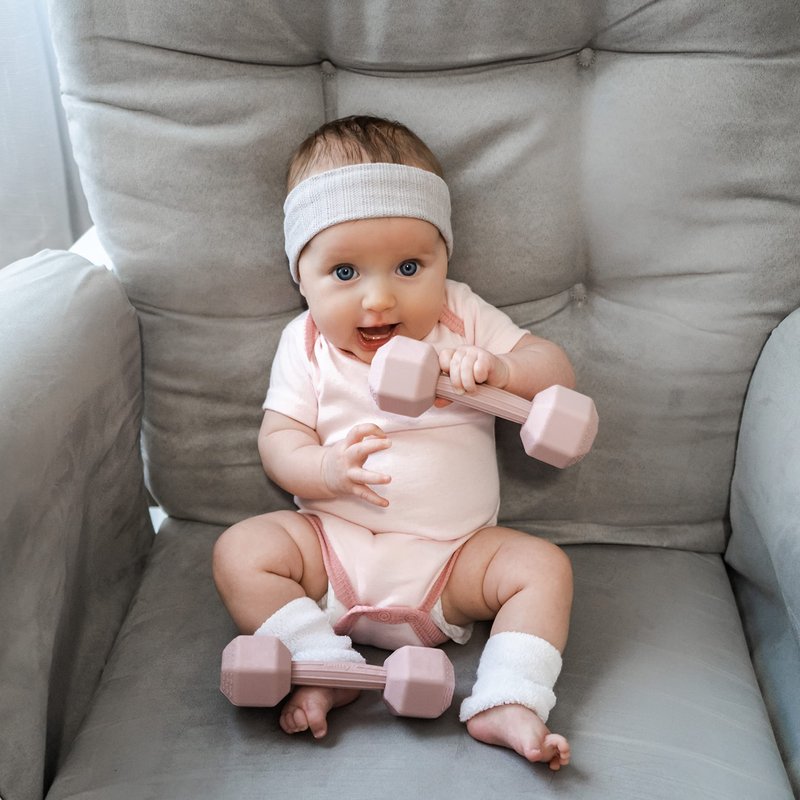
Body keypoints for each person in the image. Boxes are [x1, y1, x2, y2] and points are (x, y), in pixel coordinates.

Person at [213, 115, 575, 770]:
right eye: (344, 271)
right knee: (241, 550)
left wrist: (502, 370)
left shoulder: (461, 316)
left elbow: (555, 370)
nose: (379, 298)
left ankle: (510, 697)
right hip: (333, 548)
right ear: (302, 278)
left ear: (444, 261)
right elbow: (279, 439)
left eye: (409, 267)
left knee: (543, 568)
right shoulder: (305, 343)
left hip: (453, 560)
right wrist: (324, 469)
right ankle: (318, 658)